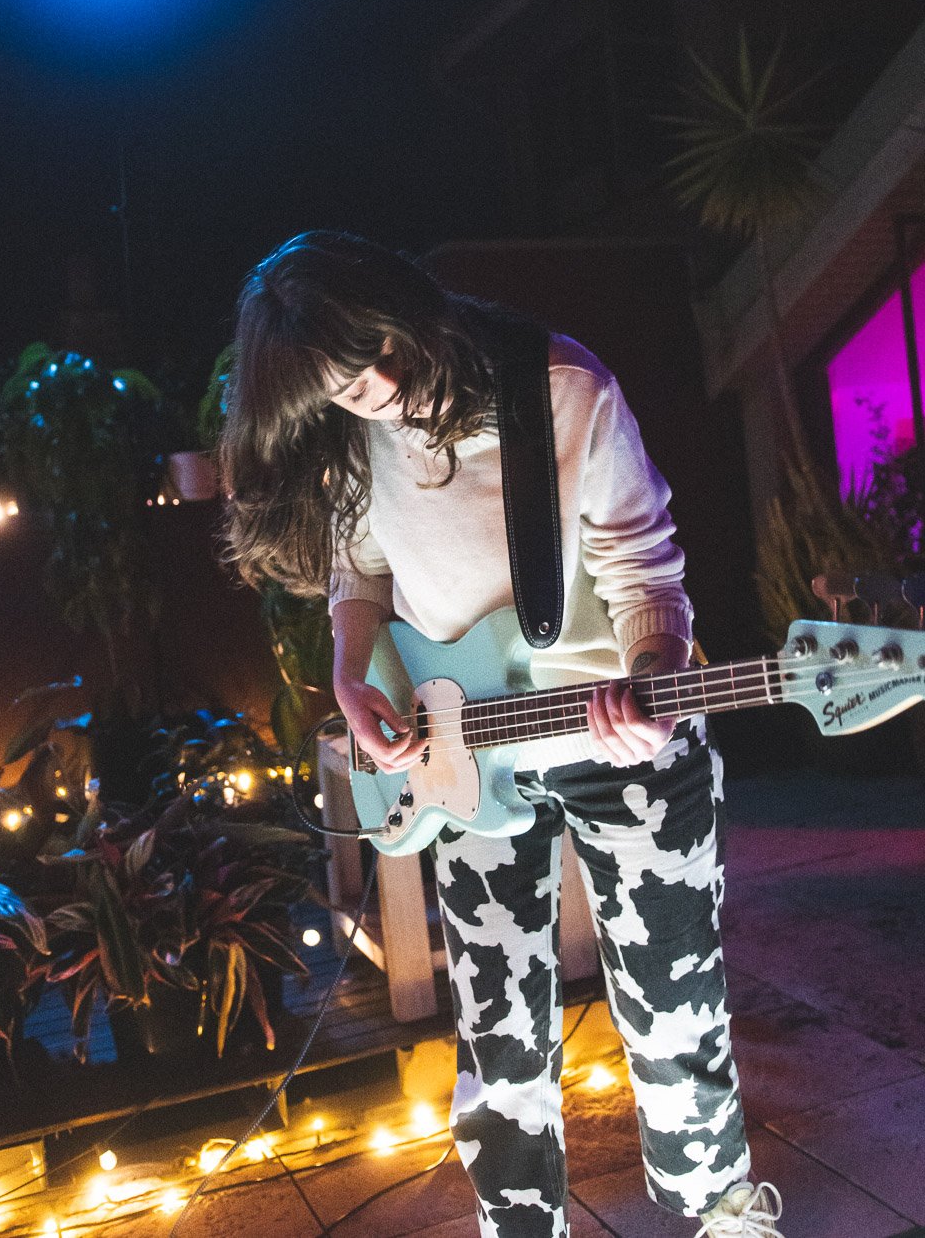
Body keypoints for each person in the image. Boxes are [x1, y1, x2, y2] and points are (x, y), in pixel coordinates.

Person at [220, 230, 785, 1238]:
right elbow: (361, 569)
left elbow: (645, 565)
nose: (384, 385)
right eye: (351, 386)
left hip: (626, 734)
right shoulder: (345, 429)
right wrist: (350, 673)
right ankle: (519, 1225)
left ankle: (724, 1213)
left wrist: (651, 678)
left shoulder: (559, 386)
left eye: (387, 348)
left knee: (673, 1006)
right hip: (466, 751)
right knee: (496, 1033)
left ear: (407, 303)